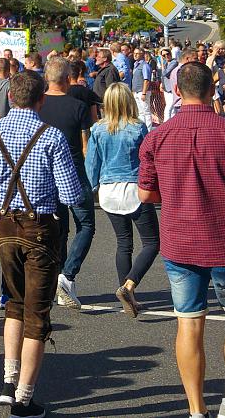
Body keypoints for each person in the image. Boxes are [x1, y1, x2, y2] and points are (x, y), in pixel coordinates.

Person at [138, 61, 225, 418]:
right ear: (211, 90)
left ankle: (195, 409)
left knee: (189, 322)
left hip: (180, 240)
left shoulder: (157, 136)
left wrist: (175, 193)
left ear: (177, 91)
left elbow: (145, 194)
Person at [0, 70, 82, 417]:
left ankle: (8, 383)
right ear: (41, 99)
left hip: (3, 226)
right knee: (38, 314)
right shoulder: (51, 137)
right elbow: (72, 194)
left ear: (10, 98)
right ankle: (24, 398)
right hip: (40, 229)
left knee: (14, 304)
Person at [84, 82, 157, 318]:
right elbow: (147, 161)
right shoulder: (137, 128)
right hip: (133, 188)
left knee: (123, 242)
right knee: (152, 242)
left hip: (108, 190)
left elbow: (92, 164)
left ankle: (128, 294)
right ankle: (129, 286)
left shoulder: (98, 129)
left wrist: (91, 187)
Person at [39, 57, 95, 312]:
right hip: (73, 172)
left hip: (46, 175)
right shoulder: (78, 106)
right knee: (86, 225)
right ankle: (68, 275)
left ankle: (55, 279)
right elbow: (86, 145)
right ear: (67, 79)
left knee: (59, 229)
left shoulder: (37, 106)